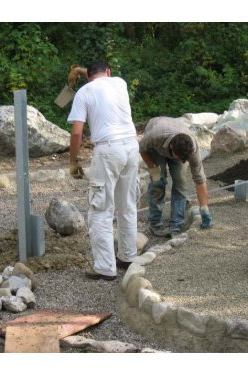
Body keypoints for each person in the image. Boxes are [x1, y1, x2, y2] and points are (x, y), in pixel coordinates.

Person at [67, 60, 140, 281]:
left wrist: (73, 161)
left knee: (100, 209)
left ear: (88, 76)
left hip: (108, 150)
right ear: (108, 72)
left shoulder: (84, 91)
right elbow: (98, 76)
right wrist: (78, 70)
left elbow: (77, 133)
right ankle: (128, 256)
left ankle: (104, 267)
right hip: (130, 146)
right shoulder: (120, 83)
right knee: (126, 205)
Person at [139, 117, 212, 237]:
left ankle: (176, 225)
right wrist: (153, 168)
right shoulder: (154, 136)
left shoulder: (192, 149)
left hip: (176, 138)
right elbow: (142, 148)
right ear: (171, 147)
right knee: (158, 183)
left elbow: (200, 180)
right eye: (178, 157)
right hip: (156, 147)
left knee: (180, 182)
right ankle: (155, 224)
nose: (181, 161)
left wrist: (204, 208)